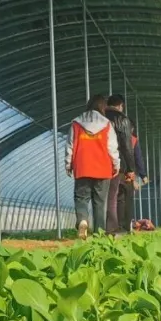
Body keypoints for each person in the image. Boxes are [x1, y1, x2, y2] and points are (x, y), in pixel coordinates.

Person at [65, 94, 119, 239]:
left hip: (82, 166)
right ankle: (99, 233)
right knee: (100, 202)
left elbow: (70, 145)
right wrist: (116, 165)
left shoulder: (76, 123)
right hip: (103, 168)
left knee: (81, 197)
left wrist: (68, 163)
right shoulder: (107, 124)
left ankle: (82, 220)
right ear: (103, 107)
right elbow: (112, 148)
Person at [103, 94, 136, 234]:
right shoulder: (122, 120)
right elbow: (126, 146)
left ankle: (103, 227)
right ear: (120, 105)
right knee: (118, 196)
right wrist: (130, 168)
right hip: (117, 163)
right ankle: (117, 229)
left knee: (102, 197)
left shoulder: (100, 118)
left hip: (99, 161)